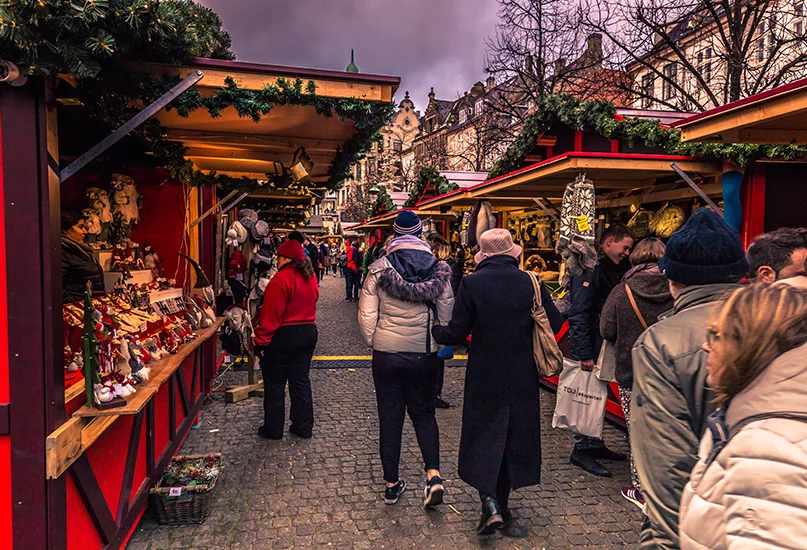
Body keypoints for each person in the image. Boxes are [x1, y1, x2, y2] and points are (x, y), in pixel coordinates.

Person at [630, 208, 749, 549]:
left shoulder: (663, 342)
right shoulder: (783, 324)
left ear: (672, 280)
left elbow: (668, 465)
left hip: (701, 521)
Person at [433, 229, 562, 537]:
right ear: (512, 252)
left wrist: (436, 331)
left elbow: (456, 331)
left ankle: (489, 501)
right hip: (522, 373)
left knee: (483, 434)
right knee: (513, 435)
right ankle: (501, 503)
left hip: (484, 373)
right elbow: (555, 323)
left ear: (483, 255)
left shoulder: (473, 283)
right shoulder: (531, 282)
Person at [679, 284, 807, 550]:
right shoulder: (763, 422)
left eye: (716, 335)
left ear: (748, 346)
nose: (705, 346)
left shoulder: (769, 449)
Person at [358, 210, 454, 508]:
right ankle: (434, 475)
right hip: (424, 353)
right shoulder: (439, 268)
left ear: (395, 234)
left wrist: (376, 340)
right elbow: (447, 311)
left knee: (390, 417)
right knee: (424, 414)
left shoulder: (378, 268)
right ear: (420, 234)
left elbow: (366, 315)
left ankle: (390, 485)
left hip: (387, 354)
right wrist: (436, 338)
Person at [599, 237, 673, 509]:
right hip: (668, 371)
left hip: (632, 371)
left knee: (637, 430)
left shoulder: (623, 290)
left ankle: (641, 489)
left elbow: (606, 330)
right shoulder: (677, 287)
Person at [567, 224, 634, 477]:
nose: (627, 252)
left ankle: (594, 444)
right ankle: (581, 449)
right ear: (609, 242)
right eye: (624, 247)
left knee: (598, 395)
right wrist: (583, 352)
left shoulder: (615, 269)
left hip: (603, 342)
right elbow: (579, 312)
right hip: (592, 344)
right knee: (586, 396)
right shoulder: (592, 271)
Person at [253, 239, 320, 440]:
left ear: (286, 258)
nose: (277, 260)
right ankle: (303, 426)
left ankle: (273, 428)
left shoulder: (280, 280)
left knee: (275, 384)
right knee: (300, 381)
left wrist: (260, 342)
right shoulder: (310, 277)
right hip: (308, 333)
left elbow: (271, 316)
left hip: (283, 336)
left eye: (279, 257)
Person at [427, 234, 462, 409]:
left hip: (421, 325)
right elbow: (446, 301)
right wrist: (446, 329)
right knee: (435, 362)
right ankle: (434, 394)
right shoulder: (441, 269)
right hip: (436, 321)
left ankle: (425, 392)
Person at [61, 211, 105, 303]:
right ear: (65, 230)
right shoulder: (63, 253)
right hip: (79, 310)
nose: (85, 232)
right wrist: (80, 304)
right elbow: (57, 290)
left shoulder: (81, 250)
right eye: (80, 227)